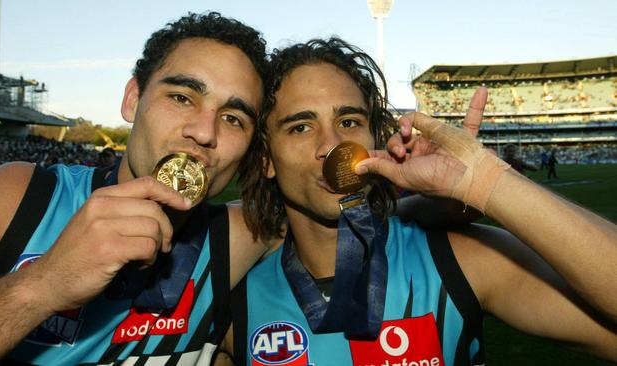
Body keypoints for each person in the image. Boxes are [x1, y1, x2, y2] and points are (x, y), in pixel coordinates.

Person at [223, 38, 617, 365]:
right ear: (265, 161)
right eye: (301, 126)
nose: (332, 147)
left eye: (349, 122)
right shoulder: (230, 307)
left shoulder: (455, 259)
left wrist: (487, 185)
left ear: (373, 138)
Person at [0, 12, 270, 365]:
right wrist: (44, 285)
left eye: (233, 118)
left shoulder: (237, 239)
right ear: (132, 99)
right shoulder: (19, 197)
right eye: (181, 97)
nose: (204, 132)